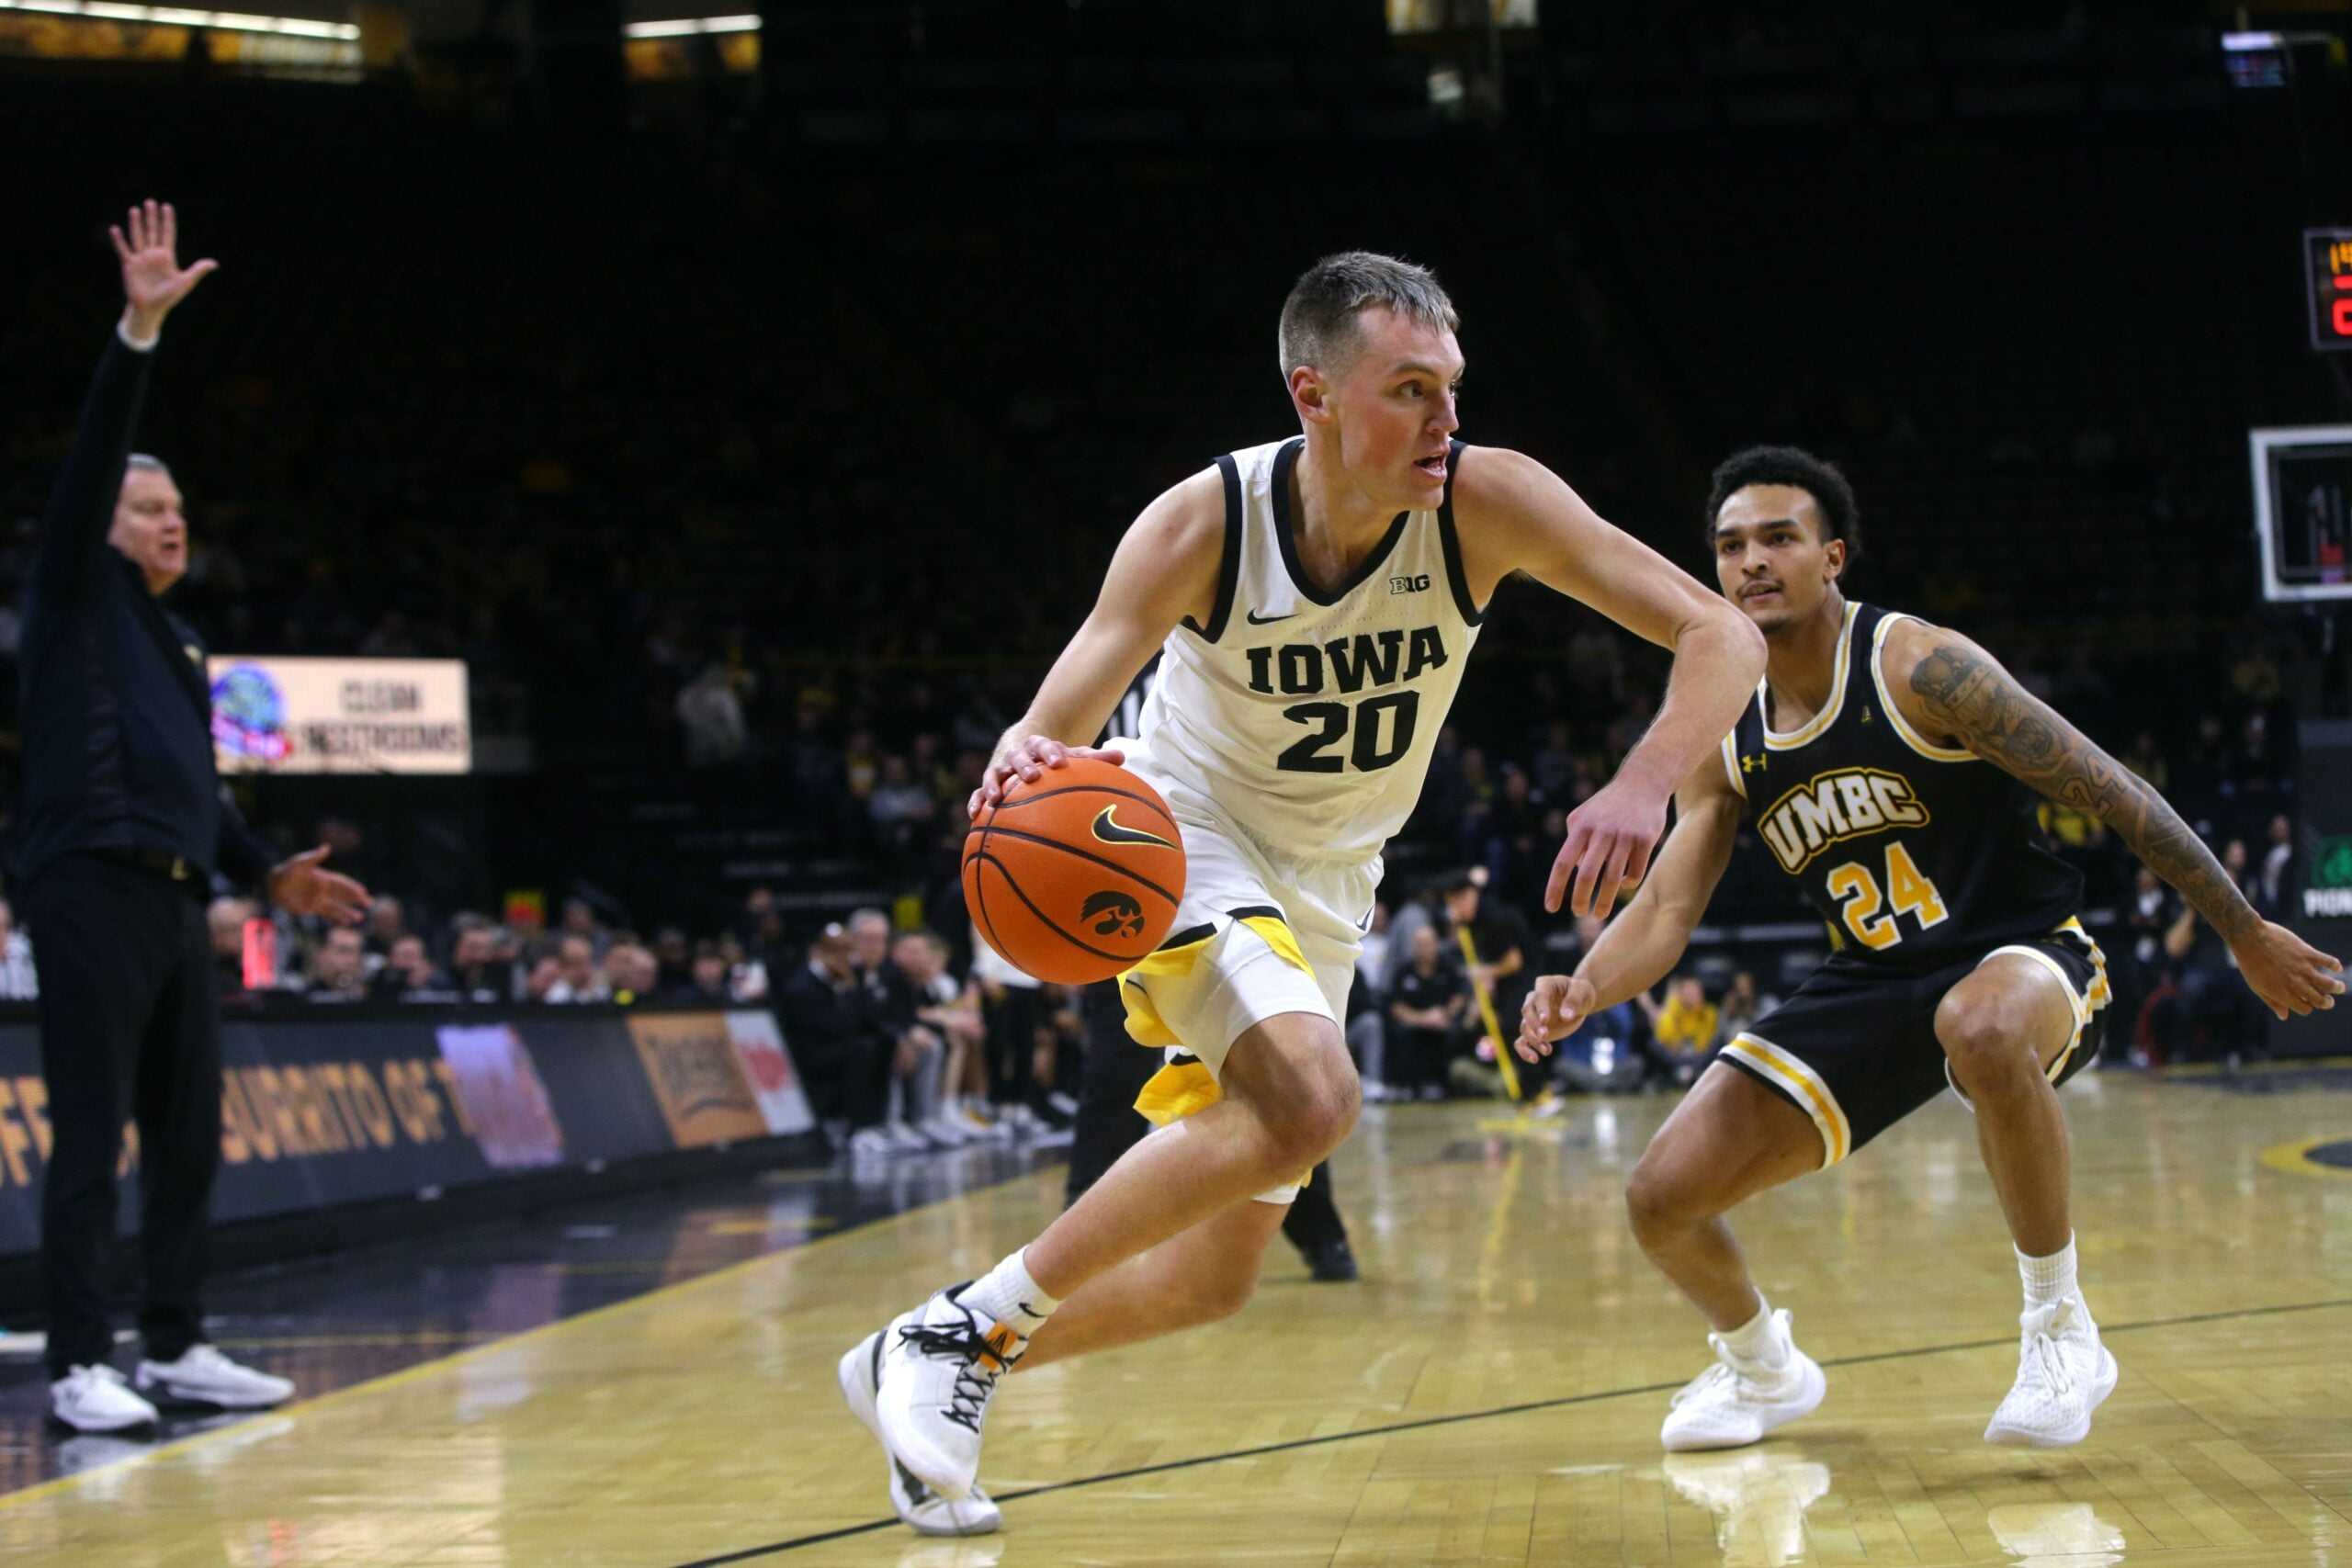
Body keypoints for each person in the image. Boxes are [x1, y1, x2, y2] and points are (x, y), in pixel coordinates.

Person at [843, 251, 1766, 1536]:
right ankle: (963, 1330)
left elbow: (1724, 632)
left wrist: (1647, 777)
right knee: (1318, 1099)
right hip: (1177, 837)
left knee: (1211, 1281)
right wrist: (1021, 763)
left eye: (1453, 388)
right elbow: (1054, 720)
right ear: (1314, 395)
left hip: (1334, 881)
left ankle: (922, 1352)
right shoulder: (1203, 524)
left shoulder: (1487, 501)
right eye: (1409, 390)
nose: (1446, 421)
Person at [1517, 444, 2344, 1454]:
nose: (1751, 563)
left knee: (1982, 1026)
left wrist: (2244, 930)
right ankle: (1762, 1369)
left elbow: (2112, 790)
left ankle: (2059, 1329)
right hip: (1872, 977)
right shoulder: (1717, 719)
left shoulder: (1921, 666)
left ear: (1834, 557)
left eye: (1779, 537)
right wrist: (1584, 984)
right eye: (1730, 546)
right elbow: (1664, 910)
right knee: (1660, 1199)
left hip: (2022, 953)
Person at [22, 203, 370, 1436]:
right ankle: (78, 1360)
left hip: (175, 890)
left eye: (176, 507)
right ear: (101, 527)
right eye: (145, 507)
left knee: (184, 1137)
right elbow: (92, 459)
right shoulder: (70, 590)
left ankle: (172, 1343)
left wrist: (268, 870)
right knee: (92, 1131)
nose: (171, 519)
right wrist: (139, 329)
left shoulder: (177, 636)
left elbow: (204, 795)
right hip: (87, 878)